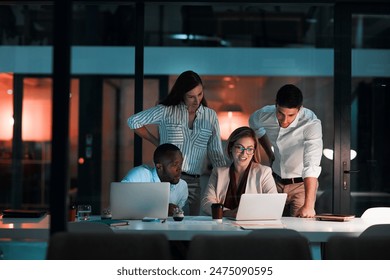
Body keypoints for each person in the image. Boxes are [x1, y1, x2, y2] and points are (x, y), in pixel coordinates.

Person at [127, 70, 226, 216]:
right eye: (191, 96)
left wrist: (224, 185)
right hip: (166, 181)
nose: (197, 101)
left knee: (189, 228)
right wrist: (158, 143)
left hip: (194, 183)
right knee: (160, 222)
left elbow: (216, 154)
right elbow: (133, 121)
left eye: (200, 94)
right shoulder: (166, 111)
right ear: (181, 94)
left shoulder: (210, 116)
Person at [249, 84, 323, 218]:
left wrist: (309, 206)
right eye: (280, 114)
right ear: (275, 105)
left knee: (299, 232)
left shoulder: (311, 123)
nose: (285, 120)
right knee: (269, 226)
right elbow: (255, 126)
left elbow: (311, 164)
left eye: (291, 115)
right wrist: (269, 153)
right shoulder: (264, 115)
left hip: (301, 185)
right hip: (275, 181)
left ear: (299, 109)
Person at [201, 126, 277, 218]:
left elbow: (273, 203)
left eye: (249, 149)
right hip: (223, 225)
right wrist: (228, 213)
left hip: (252, 225)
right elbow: (206, 202)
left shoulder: (264, 172)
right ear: (230, 148)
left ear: (254, 152)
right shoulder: (218, 172)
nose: (244, 153)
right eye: (239, 148)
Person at [122, 143, 188, 216]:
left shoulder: (182, 186)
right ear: (159, 167)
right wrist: (160, 209)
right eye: (174, 165)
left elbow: (179, 219)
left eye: (180, 164)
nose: (179, 169)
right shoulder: (139, 175)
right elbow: (120, 203)